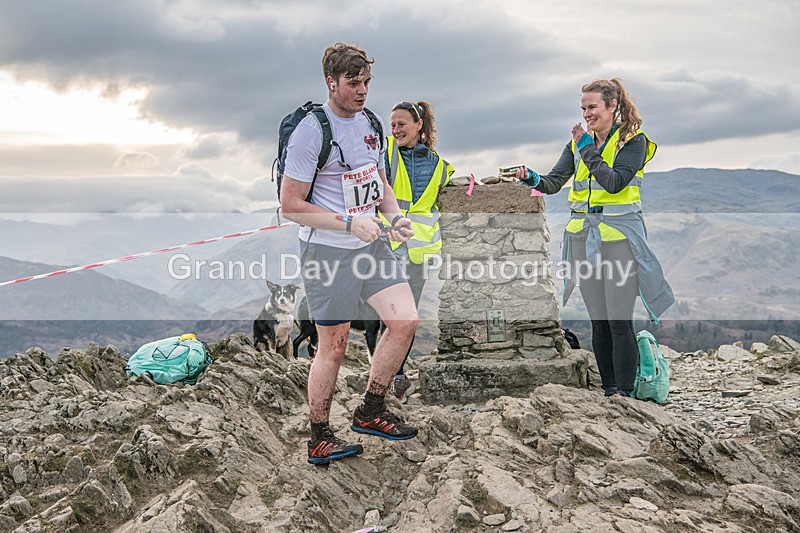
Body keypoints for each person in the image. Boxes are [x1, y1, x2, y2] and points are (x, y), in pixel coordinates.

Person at [281, 43, 420, 464]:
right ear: (332, 82)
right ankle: (320, 435)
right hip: (327, 251)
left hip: (372, 243)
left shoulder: (372, 123)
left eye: (367, 83)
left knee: (405, 321)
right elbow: (290, 206)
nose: (362, 91)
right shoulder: (311, 130)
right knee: (334, 348)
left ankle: (371, 409)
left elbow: (378, 182)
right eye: (353, 83)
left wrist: (393, 217)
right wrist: (347, 222)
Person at [515, 78, 674, 398]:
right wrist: (529, 177)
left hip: (618, 241)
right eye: (583, 108)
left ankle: (625, 394)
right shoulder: (578, 143)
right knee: (599, 322)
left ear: (613, 106)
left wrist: (587, 148)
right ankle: (610, 389)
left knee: (618, 320)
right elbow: (554, 181)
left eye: (593, 107)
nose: (586, 114)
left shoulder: (633, 142)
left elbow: (614, 183)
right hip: (583, 239)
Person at [382, 100, 454, 402]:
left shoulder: (440, 166)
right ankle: (383, 376)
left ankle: (397, 376)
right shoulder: (384, 151)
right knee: (387, 315)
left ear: (418, 125)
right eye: (393, 124)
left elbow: (449, 197)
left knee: (408, 317)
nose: (396, 130)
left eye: (402, 124)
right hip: (388, 243)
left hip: (420, 250)